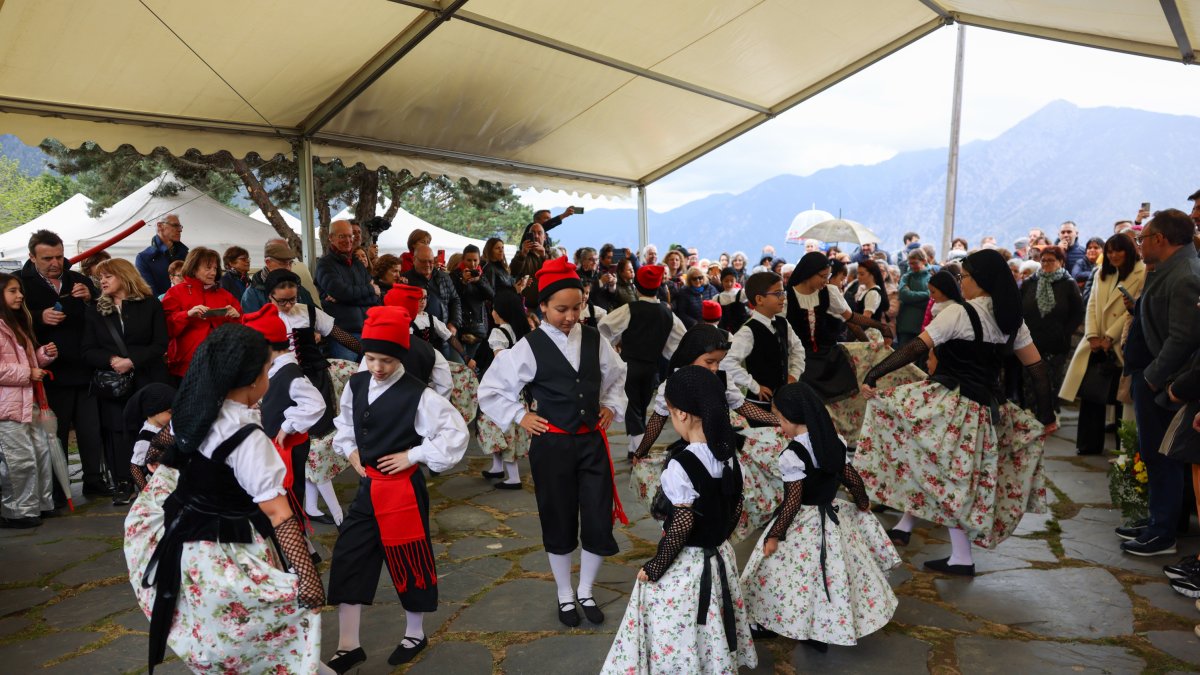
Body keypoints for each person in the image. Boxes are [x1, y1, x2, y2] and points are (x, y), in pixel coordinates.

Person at [125, 324, 329, 674]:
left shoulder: (194, 408)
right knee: (269, 635)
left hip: (184, 542)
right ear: (253, 381)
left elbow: (158, 450)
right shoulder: (246, 438)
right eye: (267, 370)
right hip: (226, 550)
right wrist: (308, 579)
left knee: (211, 633)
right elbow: (279, 514)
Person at [856, 249, 1057, 576]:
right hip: (984, 410)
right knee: (948, 479)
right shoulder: (1011, 320)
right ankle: (955, 553)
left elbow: (914, 348)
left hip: (950, 407)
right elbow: (1037, 369)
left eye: (965, 277)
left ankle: (954, 552)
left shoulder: (957, 314)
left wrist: (874, 374)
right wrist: (1046, 415)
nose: (961, 282)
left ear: (980, 280)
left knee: (933, 470)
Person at [479, 256, 628, 628]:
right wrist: (520, 416)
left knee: (596, 518)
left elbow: (616, 378)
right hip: (552, 446)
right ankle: (564, 593)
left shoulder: (596, 340)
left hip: (592, 444)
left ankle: (587, 589)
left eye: (577, 307)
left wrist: (610, 405)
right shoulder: (528, 347)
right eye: (561, 308)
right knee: (558, 517)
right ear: (542, 306)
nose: (570, 315)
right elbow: (493, 389)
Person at [326, 306, 468, 671]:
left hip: (403, 491)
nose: (376, 367)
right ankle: (348, 644)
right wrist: (352, 452)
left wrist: (415, 454)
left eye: (386, 360)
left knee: (410, 560)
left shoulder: (418, 394)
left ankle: (415, 633)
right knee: (349, 556)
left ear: (400, 356)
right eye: (370, 358)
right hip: (368, 489)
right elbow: (344, 425)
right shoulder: (356, 384)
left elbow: (455, 433)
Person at [601, 366, 757, 674]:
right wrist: (718, 535)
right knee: (711, 613)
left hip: (690, 561)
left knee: (671, 614)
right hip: (718, 556)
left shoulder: (682, 466)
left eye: (670, 413)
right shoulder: (728, 455)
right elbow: (736, 505)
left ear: (682, 415)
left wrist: (656, 566)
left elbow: (682, 523)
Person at [739, 382, 899, 650]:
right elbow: (852, 479)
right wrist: (862, 502)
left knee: (776, 573)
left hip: (803, 524)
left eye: (781, 420)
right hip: (832, 520)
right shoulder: (834, 441)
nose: (780, 427)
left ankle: (769, 621)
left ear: (793, 418)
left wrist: (775, 534)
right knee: (828, 576)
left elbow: (793, 501)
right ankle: (819, 630)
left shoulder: (792, 455)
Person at [1120, 210, 1200, 556]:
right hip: (1152, 373)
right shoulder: (1168, 269)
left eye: (1143, 238)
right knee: (1159, 455)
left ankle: (1162, 532)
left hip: (1163, 380)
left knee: (1162, 456)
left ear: (1161, 240)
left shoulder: (1184, 275)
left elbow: (1183, 338)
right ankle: (1164, 520)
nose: (1139, 244)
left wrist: (1153, 379)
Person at [18, 230, 106, 502]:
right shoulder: (20, 283)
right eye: (47, 258)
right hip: (51, 370)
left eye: (59, 256)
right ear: (33, 257)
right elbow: (9, 320)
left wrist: (90, 298)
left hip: (85, 366)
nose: (55, 263)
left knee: (91, 430)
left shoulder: (78, 279)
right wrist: (38, 317)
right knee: (55, 434)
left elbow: (102, 316)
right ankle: (58, 489)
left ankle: (95, 480)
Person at [81, 258, 169, 505]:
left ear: (124, 275)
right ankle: (124, 482)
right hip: (115, 385)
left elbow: (160, 343)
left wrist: (132, 360)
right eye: (100, 277)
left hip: (148, 379)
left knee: (152, 430)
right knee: (118, 432)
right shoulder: (95, 310)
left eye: (108, 276)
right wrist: (111, 359)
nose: (102, 281)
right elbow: (87, 350)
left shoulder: (149, 304)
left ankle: (156, 478)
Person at [243, 303, 327, 528]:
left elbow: (316, 404)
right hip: (278, 445)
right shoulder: (275, 369)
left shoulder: (290, 374)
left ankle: (299, 545)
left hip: (290, 447)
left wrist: (288, 425)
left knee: (290, 499)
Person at [1060, 234, 1144, 455]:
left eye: (1119, 250)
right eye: (1110, 251)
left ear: (1129, 251)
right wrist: (1092, 336)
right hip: (1097, 342)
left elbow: (1131, 312)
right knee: (1091, 394)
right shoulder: (1101, 274)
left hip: (1120, 343)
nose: (1113, 255)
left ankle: (1122, 451)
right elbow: (1092, 305)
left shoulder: (1142, 273)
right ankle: (1088, 444)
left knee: (1120, 399)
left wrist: (1109, 337)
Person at [599, 265, 686, 458]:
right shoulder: (668, 314)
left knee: (633, 408)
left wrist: (614, 344)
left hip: (629, 365)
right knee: (641, 406)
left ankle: (640, 450)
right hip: (652, 368)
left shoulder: (630, 309)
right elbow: (681, 343)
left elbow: (604, 326)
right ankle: (634, 449)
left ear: (636, 286)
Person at [787, 252, 890, 400]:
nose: (825, 281)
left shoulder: (829, 292)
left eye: (827, 277)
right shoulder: (786, 298)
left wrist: (881, 327)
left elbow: (852, 318)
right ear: (809, 273)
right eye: (822, 277)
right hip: (799, 361)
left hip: (827, 357)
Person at [0, 272, 57, 527]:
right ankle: (17, 512)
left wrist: (42, 356)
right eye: (12, 291)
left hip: (29, 400)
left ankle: (39, 504)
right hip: (7, 407)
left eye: (19, 290)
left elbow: (24, 360)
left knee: (40, 453)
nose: (20, 295)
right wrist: (28, 373)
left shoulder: (17, 323)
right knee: (18, 460)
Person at [722, 271, 805, 414]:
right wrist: (754, 386)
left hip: (784, 397)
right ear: (759, 299)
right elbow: (727, 363)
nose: (783, 298)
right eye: (777, 293)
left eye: (783, 292)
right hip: (761, 403)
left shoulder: (782, 323)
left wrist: (794, 374)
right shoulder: (748, 331)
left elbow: (798, 349)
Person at [478, 290, 533, 489]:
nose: (492, 312)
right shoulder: (522, 329)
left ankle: (513, 477)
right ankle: (497, 466)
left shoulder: (498, 332)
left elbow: (500, 361)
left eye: (494, 308)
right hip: (520, 388)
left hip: (503, 389)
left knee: (502, 428)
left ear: (501, 311)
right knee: (508, 429)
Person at [161, 247, 242, 380]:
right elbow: (166, 328)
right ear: (193, 268)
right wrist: (187, 315)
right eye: (208, 268)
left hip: (221, 365)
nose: (213, 273)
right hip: (186, 366)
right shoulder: (175, 293)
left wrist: (236, 317)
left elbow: (241, 329)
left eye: (215, 269)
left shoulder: (226, 296)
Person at [1019, 245, 1084, 412]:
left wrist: (1064, 332)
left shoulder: (1068, 284)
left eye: (1051, 260)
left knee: (1052, 379)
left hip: (1056, 341)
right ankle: (1031, 412)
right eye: (1043, 260)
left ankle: (1051, 413)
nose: (1046, 264)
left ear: (1061, 262)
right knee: (1030, 378)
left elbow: (1078, 312)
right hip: (1031, 339)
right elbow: (1019, 308)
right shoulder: (1029, 282)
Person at [316, 221, 380, 361]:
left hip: (368, 332)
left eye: (350, 236)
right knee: (348, 379)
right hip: (343, 336)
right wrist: (369, 289)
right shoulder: (325, 265)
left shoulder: (358, 264)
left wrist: (346, 297)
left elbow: (375, 298)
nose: (348, 240)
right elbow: (342, 292)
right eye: (342, 236)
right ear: (330, 238)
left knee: (374, 377)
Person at [402, 244, 463, 363]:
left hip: (444, 336)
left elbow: (455, 300)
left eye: (430, 261)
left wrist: (454, 323)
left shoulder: (444, 277)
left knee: (455, 368)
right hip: (418, 341)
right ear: (414, 260)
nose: (428, 265)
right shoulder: (405, 280)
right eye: (423, 261)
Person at [123, 383, 174, 492]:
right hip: (158, 486)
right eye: (170, 412)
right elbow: (135, 466)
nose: (173, 416)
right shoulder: (146, 436)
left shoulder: (166, 429)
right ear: (153, 411)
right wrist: (145, 491)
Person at [241, 240, 315, 313]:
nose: (289, 268)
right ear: (268, 262)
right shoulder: (252, 294)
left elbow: (315, 314)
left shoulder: (300, 288)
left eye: (290, 263)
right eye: (283, 263)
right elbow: (252, 323)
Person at [452, 244, 495, 366]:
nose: (472, 264)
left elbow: (492, 296)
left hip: (477, 328)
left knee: (469, 363)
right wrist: (463, 282)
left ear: (479, 260)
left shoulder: (481, 275)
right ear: (463, 260)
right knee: (461, 364)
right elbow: (453, 298)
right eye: (469, 260)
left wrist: (479, 281)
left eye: (475, 260)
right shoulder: (455, 275)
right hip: (460, 327)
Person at [135, 214, 188, 296]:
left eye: (180, 226)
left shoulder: (186, 254)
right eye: (175, 225)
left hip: (190, 306)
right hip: (161, 307)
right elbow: (149, 294)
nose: (179, 230)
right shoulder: (143, 258)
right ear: (160, 226)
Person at [896, 248, 931, 347]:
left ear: (924, 261)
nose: (912, 266)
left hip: (922, 324)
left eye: (915, 263)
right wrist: (926, 294)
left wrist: (910, 299)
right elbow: (903, 295)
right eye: (910, 263)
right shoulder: (906, 277)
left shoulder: (931, 277)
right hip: (905, 325)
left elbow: (930, 300)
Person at [510, 222, 550, 310]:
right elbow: (512, 272)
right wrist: (523, 254)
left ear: (544, 237)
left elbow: (553, 275)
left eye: (539, 233)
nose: (536, 236)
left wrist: (544, 256)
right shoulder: (521, 254)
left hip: (545, 305)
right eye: (533, 233)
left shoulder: (550, 255)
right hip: (524, 306)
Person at [716, 267, 749, 334]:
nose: (729, 283)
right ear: (721, 281)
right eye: (726, 281)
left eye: (732, 281)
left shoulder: (741, 293)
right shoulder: (717, 298)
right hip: (726, 332)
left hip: (743, 330)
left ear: (736, 280)